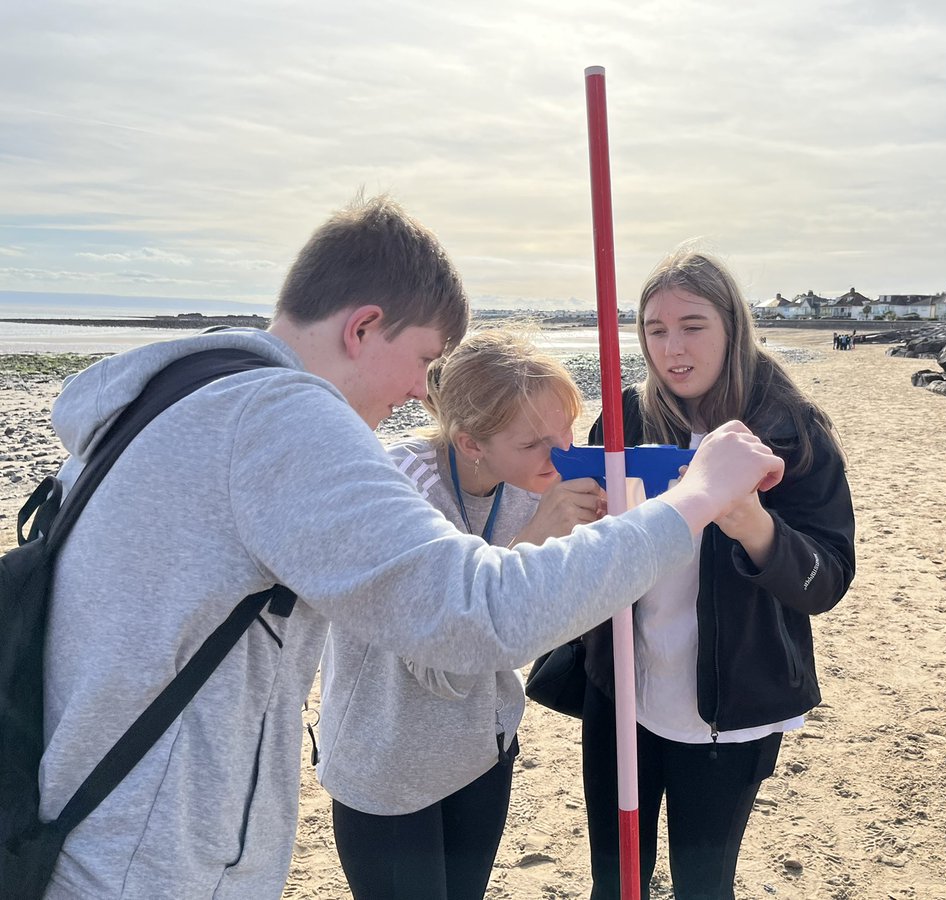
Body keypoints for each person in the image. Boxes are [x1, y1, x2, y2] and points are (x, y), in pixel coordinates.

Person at [37, 196, 784, 899]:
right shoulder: (279, 417)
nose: (425, 392)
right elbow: (474, 613)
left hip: (92, 833)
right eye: (427, 360)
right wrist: (696, 499)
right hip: (152, 862)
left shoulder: (180, 396)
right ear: (363, 327)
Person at [581, 248, 855, 899]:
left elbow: (827, 580)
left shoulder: (791, 433)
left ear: (731, 326)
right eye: (655, 329)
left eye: (692, 326)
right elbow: (587, 553)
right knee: (614, 883)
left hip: (729, 711)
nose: (672, 348)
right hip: (620, 690)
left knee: (703, 886)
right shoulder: (625, 420)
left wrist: (754, 526)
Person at [318, 328, 603, 900]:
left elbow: (555, 621)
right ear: (471, 442)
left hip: (483, 748)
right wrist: (532, 547)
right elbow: (443, 662)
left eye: (565, 430)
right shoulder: (400, 492)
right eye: (534, 442)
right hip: (388, 762)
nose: (563, 454)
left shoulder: (532, 478)